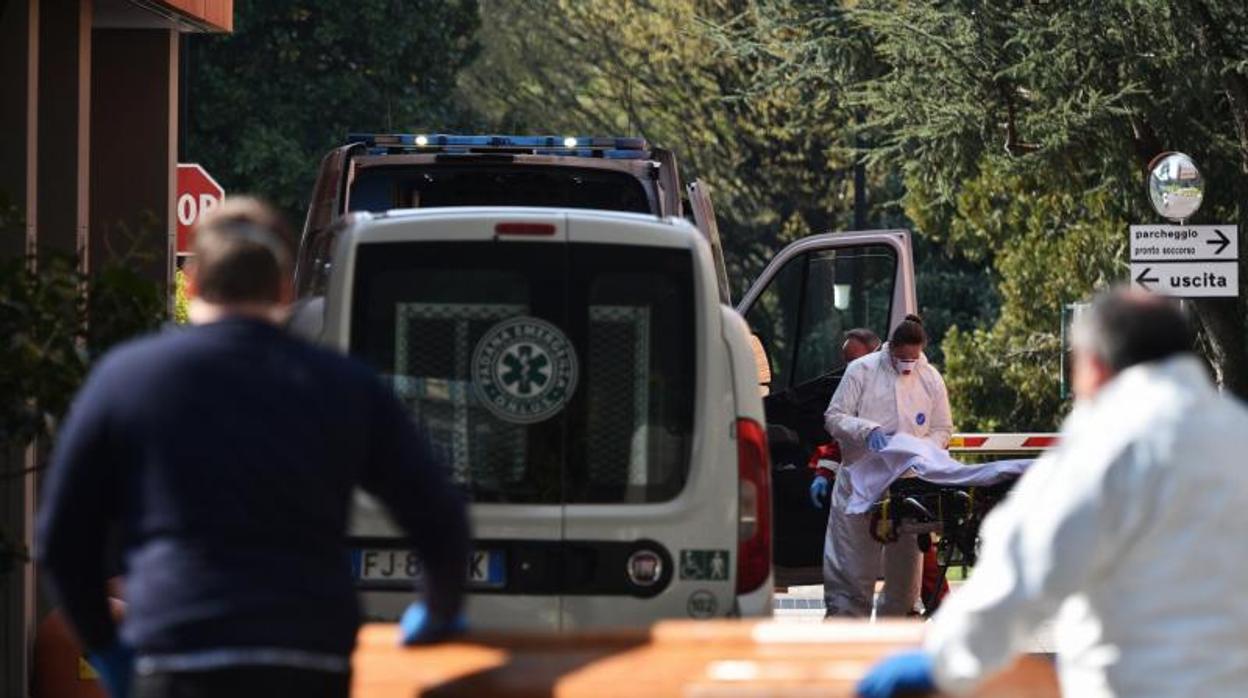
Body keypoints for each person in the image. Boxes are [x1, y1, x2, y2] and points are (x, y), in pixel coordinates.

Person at [36, 198, 470, 698]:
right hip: (305, 661)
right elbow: (439, 516)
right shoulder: (343, 385)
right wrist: (437, 610)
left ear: (194, 281)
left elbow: (63, 538)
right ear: (285, 288)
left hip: (177, 658)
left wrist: (108, 647)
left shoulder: (127, 378)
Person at [857, 289, 1248, 698]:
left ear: (1094, 366)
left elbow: (1022, 575)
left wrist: (944, 660)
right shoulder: (1238, 432)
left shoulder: (1104, 449)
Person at [821, 315, 953, 617]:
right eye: (902, 357)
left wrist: (921, 449)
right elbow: (834, 417)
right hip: (861, 481)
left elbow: (943, 427)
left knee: (906, 577)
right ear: (889, 348)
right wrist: (867, 430)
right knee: (851, 569)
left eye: (913, 358)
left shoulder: (929, 378)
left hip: (907, 482)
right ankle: (846, 631)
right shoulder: (861, 371)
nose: (908, 364)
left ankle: (895, 637)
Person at [809, 328, 881, 507]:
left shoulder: (890, 389)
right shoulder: (851, 390)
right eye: (847, 361)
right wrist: (823, 473)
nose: (851, 368)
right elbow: (840, 442)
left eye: (855, 361)